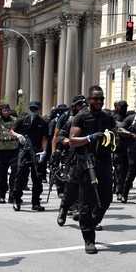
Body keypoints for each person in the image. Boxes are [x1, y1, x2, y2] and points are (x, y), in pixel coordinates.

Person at [68, 87, 117, 254]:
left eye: (101, 99)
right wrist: (89, 138)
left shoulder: (107, 117)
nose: (99, 102)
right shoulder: (81, 116)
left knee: (107, 198)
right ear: (89, 100)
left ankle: (93, 221)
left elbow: (114, 133)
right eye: (96, 99)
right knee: (86, 202)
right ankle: (89, 239)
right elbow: (72, 140)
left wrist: (115, 139)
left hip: (103, 161)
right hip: (86, 162)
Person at [55, 96, 87, 226]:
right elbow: (60, 135)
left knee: (90, 188)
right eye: (79, 105)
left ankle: (88, 217)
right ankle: (63, 209)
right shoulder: (72, 120)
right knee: (71, 187)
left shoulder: (95, 120)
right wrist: (66, 141)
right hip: (74, 157)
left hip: (92, 158)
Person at [11, 101, 49, 211]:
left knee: (37, 177)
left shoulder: (43, 122)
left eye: (35, 109)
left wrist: (44, 151)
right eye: (32, 109)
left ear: (39, 109)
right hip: (24, 151)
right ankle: (16, 200)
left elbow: (45, 138)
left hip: (36, 152)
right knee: (20, 176)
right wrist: (18, 136)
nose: (34, 111)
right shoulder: (23, 120)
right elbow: (12, 130)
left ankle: (35, 202)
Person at [0, 104, 20, 204]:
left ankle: (12, 195)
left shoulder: (15, 120)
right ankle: (1, 195)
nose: (6, 112)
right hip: (1, 150)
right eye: (4, 110)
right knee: (2, 175)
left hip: (14, 150)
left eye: (7, 110)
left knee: (14, 173)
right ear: (1, 111)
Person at [111, 100, 130, 201]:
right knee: (119, 170)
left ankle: (121, 189)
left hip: (128, 148)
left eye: (125, 107)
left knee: (125, 170)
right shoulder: (113, 117)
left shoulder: (129, 118)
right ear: (117, 107)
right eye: (122, 107)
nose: (124, 109)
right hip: (117, 147)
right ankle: (119, 191)